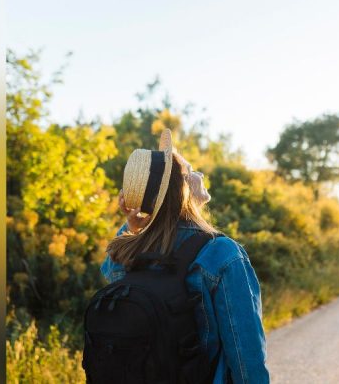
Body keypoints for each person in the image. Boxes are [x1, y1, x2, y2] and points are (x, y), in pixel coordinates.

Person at [100, 130, 269, 384]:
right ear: (183, 189)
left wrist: (132, 226)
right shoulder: (223, 255)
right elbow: (247, 356)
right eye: (191, 172)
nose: (199, 176)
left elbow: (125, 249)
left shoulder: (123, 256)